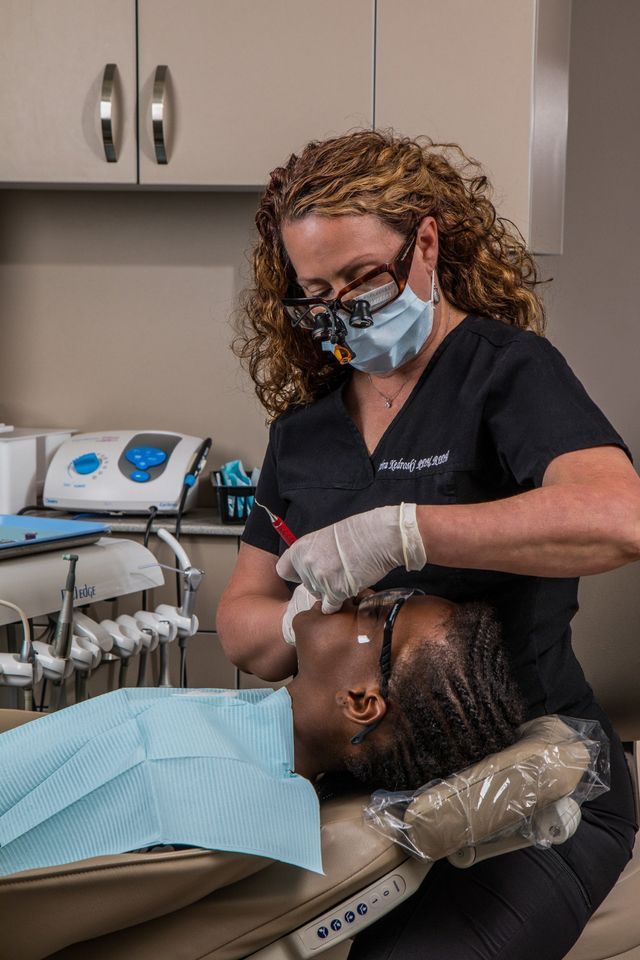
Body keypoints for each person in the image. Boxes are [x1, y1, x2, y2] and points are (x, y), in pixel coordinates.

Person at [217, 130, 640, 959]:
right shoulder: (304, 434)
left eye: (363, 276)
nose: (342, 309)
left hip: (534, 780)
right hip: (363, 792)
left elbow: (618, 518)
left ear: (427, 245)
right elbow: (240, 619)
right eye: (317, 292)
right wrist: (304, 617)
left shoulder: (506, 372)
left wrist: (403, 531)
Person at [0, 591, 523, 878]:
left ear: (361, 702)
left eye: (375, 613)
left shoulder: (182, 775)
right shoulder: (245, 755)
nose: (356, 594)